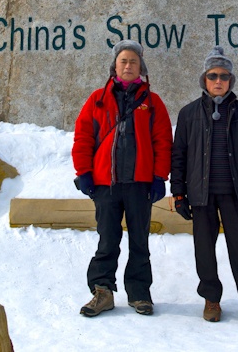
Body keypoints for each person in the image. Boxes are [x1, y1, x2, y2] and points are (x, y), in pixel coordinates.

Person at [71, 40, 173, 317]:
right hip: (106, 184)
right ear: (115, 66)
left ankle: (139, 293)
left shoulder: (152, 102)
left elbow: (163, 141)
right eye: (123, 61)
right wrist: (84, 173)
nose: (128, 66)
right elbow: (83, 137)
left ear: (141, 67)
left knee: (139, 241)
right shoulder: (98, 99)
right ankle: (102, 291)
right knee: (107, 240)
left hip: (140, 185)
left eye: (133, 62)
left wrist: (158, 177)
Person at [171, 46, 238, 324]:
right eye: (212, 75)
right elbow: (179, 156)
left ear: (230, 80)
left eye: (224, 76)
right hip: (200, 195)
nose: (218, 80)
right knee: (204, 250)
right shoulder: (188, 113)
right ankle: (211, 299)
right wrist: (178, 193)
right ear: (204, 79)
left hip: (235, 194)